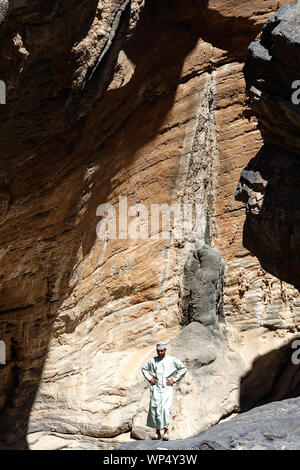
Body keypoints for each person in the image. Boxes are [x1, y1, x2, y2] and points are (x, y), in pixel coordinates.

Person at [142, 342, 187, 440]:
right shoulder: (153, 360)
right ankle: (157, 432)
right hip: (156, 387)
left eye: (162, 351)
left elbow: (183, 369)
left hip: (167, 387)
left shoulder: (171, 359)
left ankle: (166, 432)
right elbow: (144, 368)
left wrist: (174, 380)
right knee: (156, 408)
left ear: (165, 350)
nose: (160, 353)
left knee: (166, 409)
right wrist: (150, 378)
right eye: (158, 351)